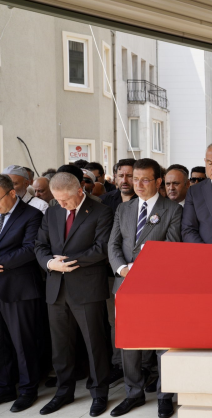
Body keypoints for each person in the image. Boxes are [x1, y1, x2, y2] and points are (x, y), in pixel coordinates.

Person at [34, 172, 113, 417]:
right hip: (56, 287)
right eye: (57, 200)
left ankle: (99, 393)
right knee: (60, 346)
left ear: (80, 191)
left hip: (87, 287)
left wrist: (69, 261)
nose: (62, 204)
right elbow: (40, 245)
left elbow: (101, 248)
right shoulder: (53, 211)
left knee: (95, 344)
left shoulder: (101, 211)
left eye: (65, 200)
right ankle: (63, 391)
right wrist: (49, 263)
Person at [108, 158, 182, 418]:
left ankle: (165, 396)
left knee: (163, 343)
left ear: (158, 181)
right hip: (125, 285)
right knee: (129, 344)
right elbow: (113, 245)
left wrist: (142, 272)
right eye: (134, 179)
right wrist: (122, 269)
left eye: (144, 179)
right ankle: (133, 393)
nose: (137, 184)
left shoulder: (172, 210)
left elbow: (170, 251)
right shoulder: (123, 209)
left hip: (157, 287)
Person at [0, 174, 44, 413]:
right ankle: (5, 387)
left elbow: (30, 249)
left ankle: (28, 389)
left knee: (23, 343)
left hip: (20, 289)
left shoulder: (32, 215)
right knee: (2, 344)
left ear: (12, 193)